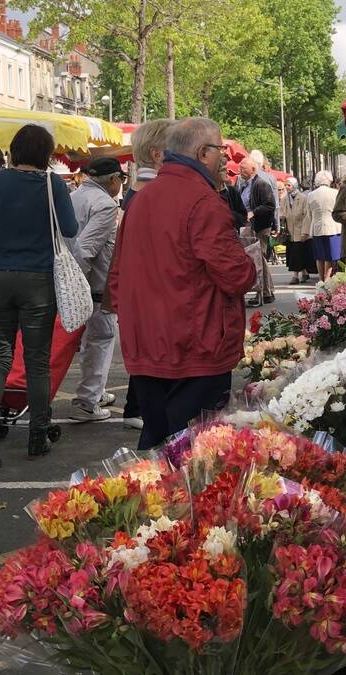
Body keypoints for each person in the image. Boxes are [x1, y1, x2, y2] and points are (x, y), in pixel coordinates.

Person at [109, 118, 256, 450]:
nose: (226, 158)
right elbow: (236, 275)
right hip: (194, 346)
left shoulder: (140, 200)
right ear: (203, 152)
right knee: (196, 454)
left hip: (148, 343)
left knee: (159, 447)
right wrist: (247, 263)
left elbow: (118, 275)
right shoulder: (203, 201)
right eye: (221, 150)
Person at [0, 125, 78, 466]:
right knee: (37, 360)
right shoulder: (52, 184)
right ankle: (37, 434)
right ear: (46, 154)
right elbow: (70, 229)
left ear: (13, 151)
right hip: (39, 279)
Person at [109, 119, 173, 430]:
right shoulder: (151, 194)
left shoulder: (138, 193)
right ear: (158, 154)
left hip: (142, 298)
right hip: (154, 299)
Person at [67, 157, 125, 422]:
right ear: (113, 179)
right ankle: (87, 402)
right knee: (100, 340)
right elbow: (85, 249)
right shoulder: (104, 204)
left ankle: (95, 392)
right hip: (93, 285)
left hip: (77, 282)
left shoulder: (75, 196)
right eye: (121, 179)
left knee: (93, 342)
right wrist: (80, 286)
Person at [238, 157, 276, 306]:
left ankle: (265, 291)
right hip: (249, 227)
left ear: (253, 170)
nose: (240, 171)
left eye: (243, 168)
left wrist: (254, 212)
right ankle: (264, 291)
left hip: (260, 227)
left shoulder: (261, 184)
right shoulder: (244, 185)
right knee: (256, 259)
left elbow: (270, 205)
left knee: (259, 258)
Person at [307, 170, 340, 281]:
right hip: (333, 227)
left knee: (319, 256)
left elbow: (309, 214)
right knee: (330, 256)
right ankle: (327, 279)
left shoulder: (311, 195)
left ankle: (321, 280)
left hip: (316, 227)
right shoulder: (335, 193)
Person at [281, 177, 315, 284]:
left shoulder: (304, 198)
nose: (286, 187)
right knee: (295, 254)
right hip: (290, 232)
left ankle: (299, 274)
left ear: (294, 186)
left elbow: (307, 216)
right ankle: (300, 274)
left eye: (289, 185)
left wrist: (305, 231)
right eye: (285, 185)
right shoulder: (284, 199)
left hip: (301, 230)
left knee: (301, 253)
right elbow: (281, 213)